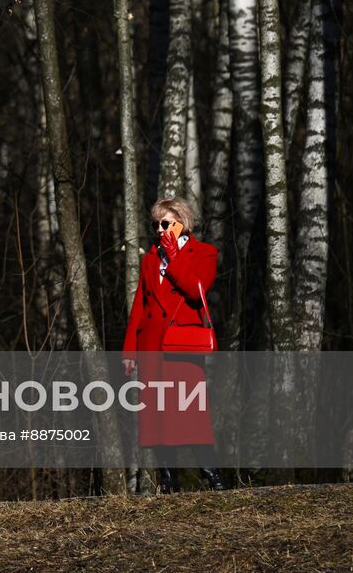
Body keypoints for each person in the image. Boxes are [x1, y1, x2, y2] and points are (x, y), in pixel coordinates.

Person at [120, 197, 226, 493]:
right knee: (156, 416)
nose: (159, 230)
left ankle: (212, 475)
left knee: (192, 412)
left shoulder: (204, 253)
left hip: (183, 346)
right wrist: (129, 352)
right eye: (155, 224)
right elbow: (140, 306)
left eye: (165, 223)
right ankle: (168, 481)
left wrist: (175, 258)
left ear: (182, 223)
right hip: (151, 344)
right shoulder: (151, 258)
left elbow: (196, 289)